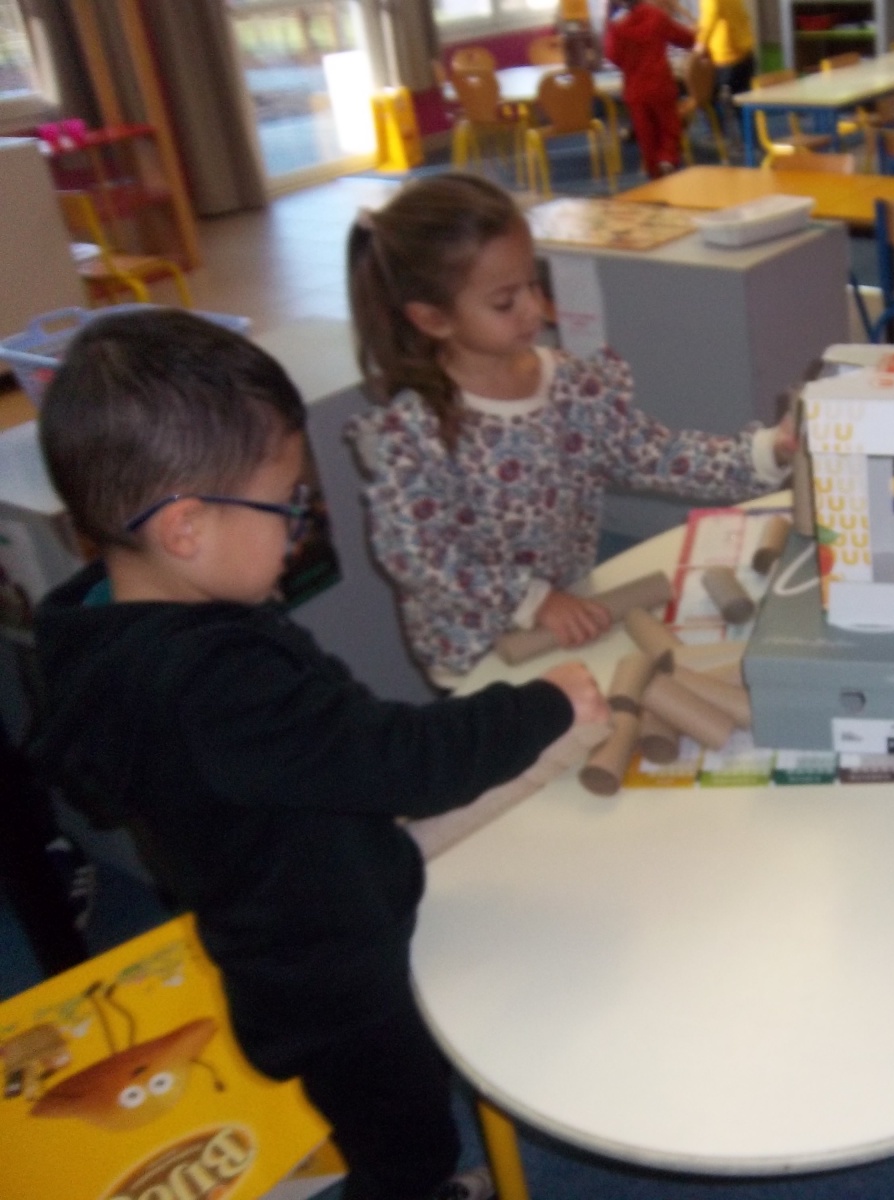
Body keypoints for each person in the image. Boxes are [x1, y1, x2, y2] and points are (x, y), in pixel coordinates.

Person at [27, 308, 609, 1200]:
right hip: (330, 975)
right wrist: (542, 707)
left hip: (308, 908)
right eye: (285, 503)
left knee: (405, 1092)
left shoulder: (124, 616)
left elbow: (332, 739)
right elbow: (401, 760)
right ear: (184, 529)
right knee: (404, 1139)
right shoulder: (212, 687)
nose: (299, 525)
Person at [346, 172, 793, 683]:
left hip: (571, 610)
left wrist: (766, 450)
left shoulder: (570, 384)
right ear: (432, 319)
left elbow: (659, 455)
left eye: (533, 284)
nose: (534, 309)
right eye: (504, 301)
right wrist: (531, 600)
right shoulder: (413, 431)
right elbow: (418, 556)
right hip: (481, 653)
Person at [604, 0, 696, 178]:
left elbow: (613, 56)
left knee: (647, 138)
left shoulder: (617, 25)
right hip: (660, 83)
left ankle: (654, 174)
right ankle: (668, 160)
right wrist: (695, 32)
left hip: (635, 89)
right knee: (669, 128)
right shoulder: (656, 15)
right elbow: (686, 39)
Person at [693, 0, 756, 138]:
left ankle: (718, 138)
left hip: (726, 54)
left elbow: (711, 15)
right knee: (743, 101)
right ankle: (750, 141)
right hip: (744, 49)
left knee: (705, 96)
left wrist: (699, 45)